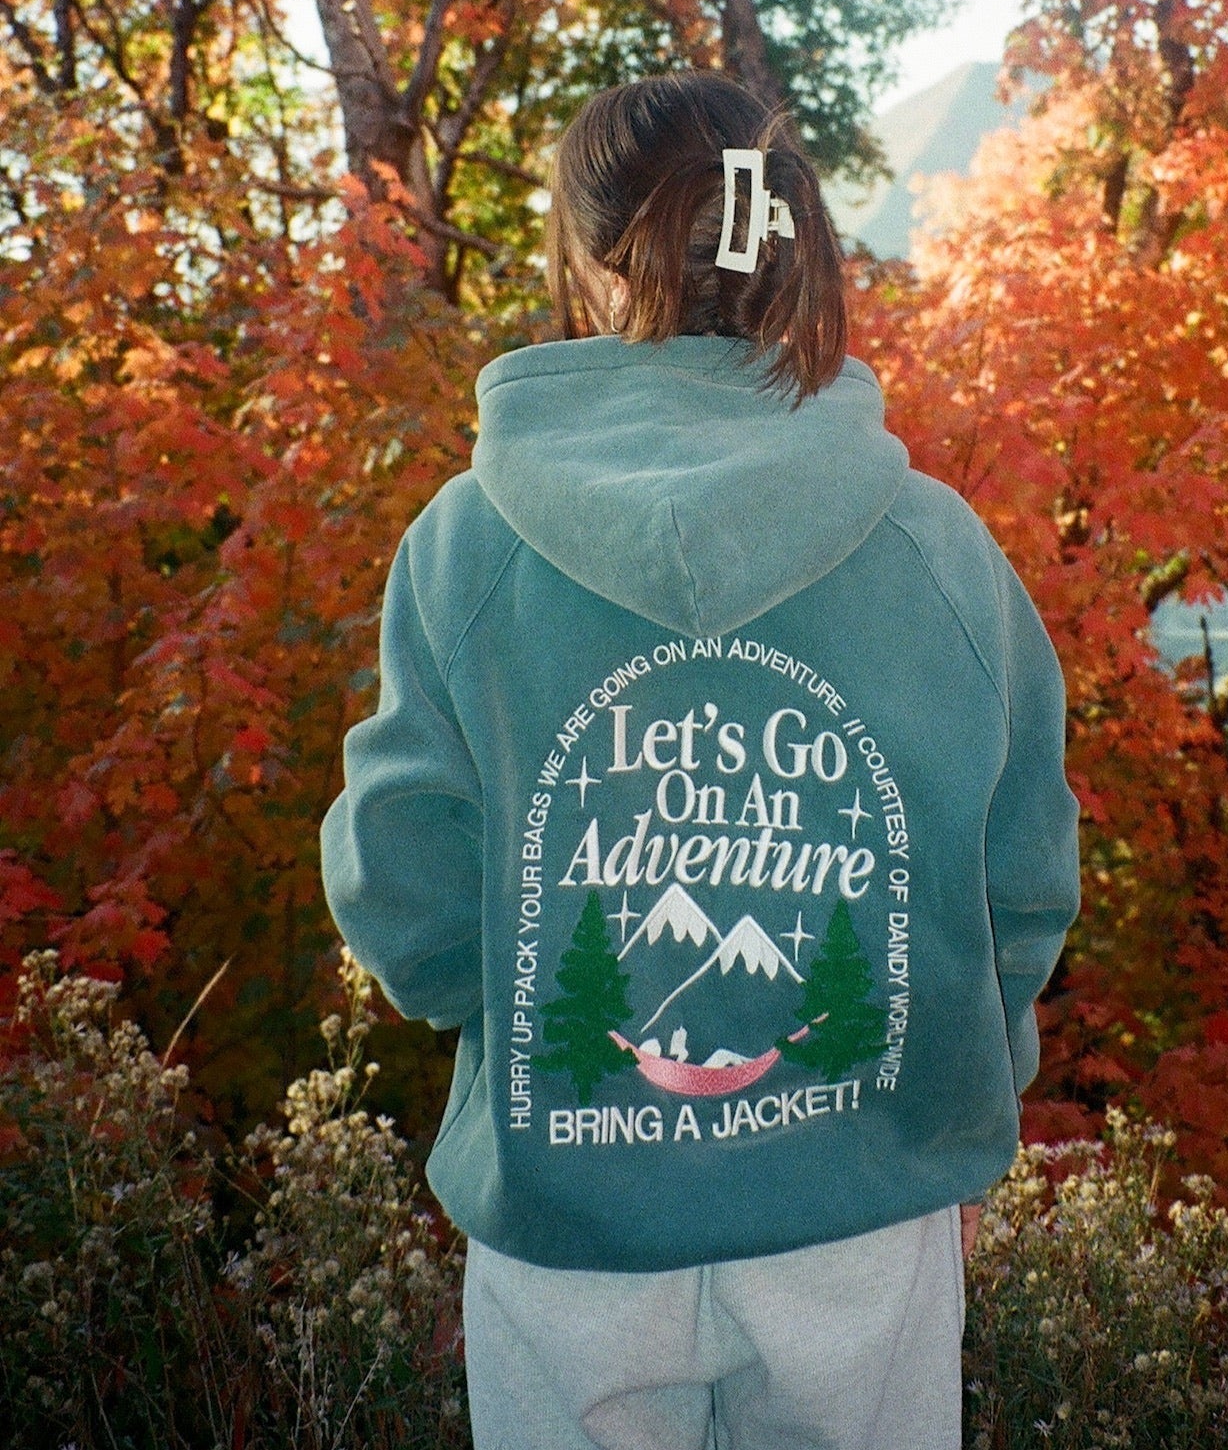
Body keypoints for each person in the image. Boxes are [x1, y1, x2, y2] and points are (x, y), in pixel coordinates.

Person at [320, 72, 1081, 1450]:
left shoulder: (465, 545)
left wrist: (514, 1010)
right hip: (863, 1210)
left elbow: (404, 894)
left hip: (572, 1221)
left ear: (588, 259)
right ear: (785, 249)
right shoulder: (937, 548)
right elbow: (1020, 881)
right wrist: (957, 1073)